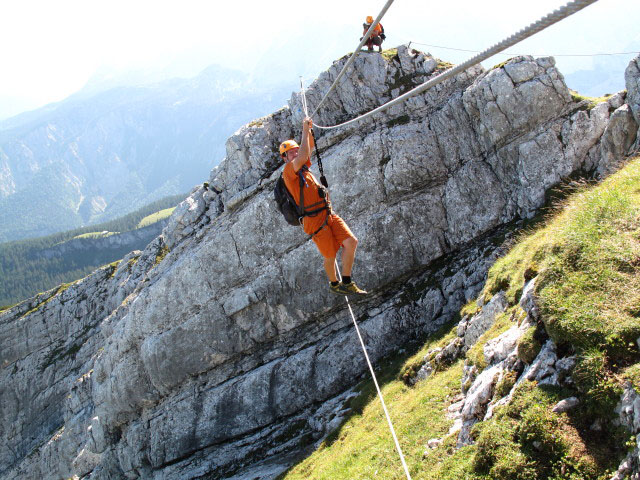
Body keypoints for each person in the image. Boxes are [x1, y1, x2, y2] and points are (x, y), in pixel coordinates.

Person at [279, 117, 367, 296]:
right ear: (285, 158)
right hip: (314, 220)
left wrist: (309, 130)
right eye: (291, 153)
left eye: (296, 150)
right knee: (330, 255)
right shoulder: (288, 172)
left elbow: (308, 149)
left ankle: (347, 282)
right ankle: (334, 283)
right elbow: (303, 154)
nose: (296, 154)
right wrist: (304, 130)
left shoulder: (303, 168)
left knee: (351, 242)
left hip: (328, 213)